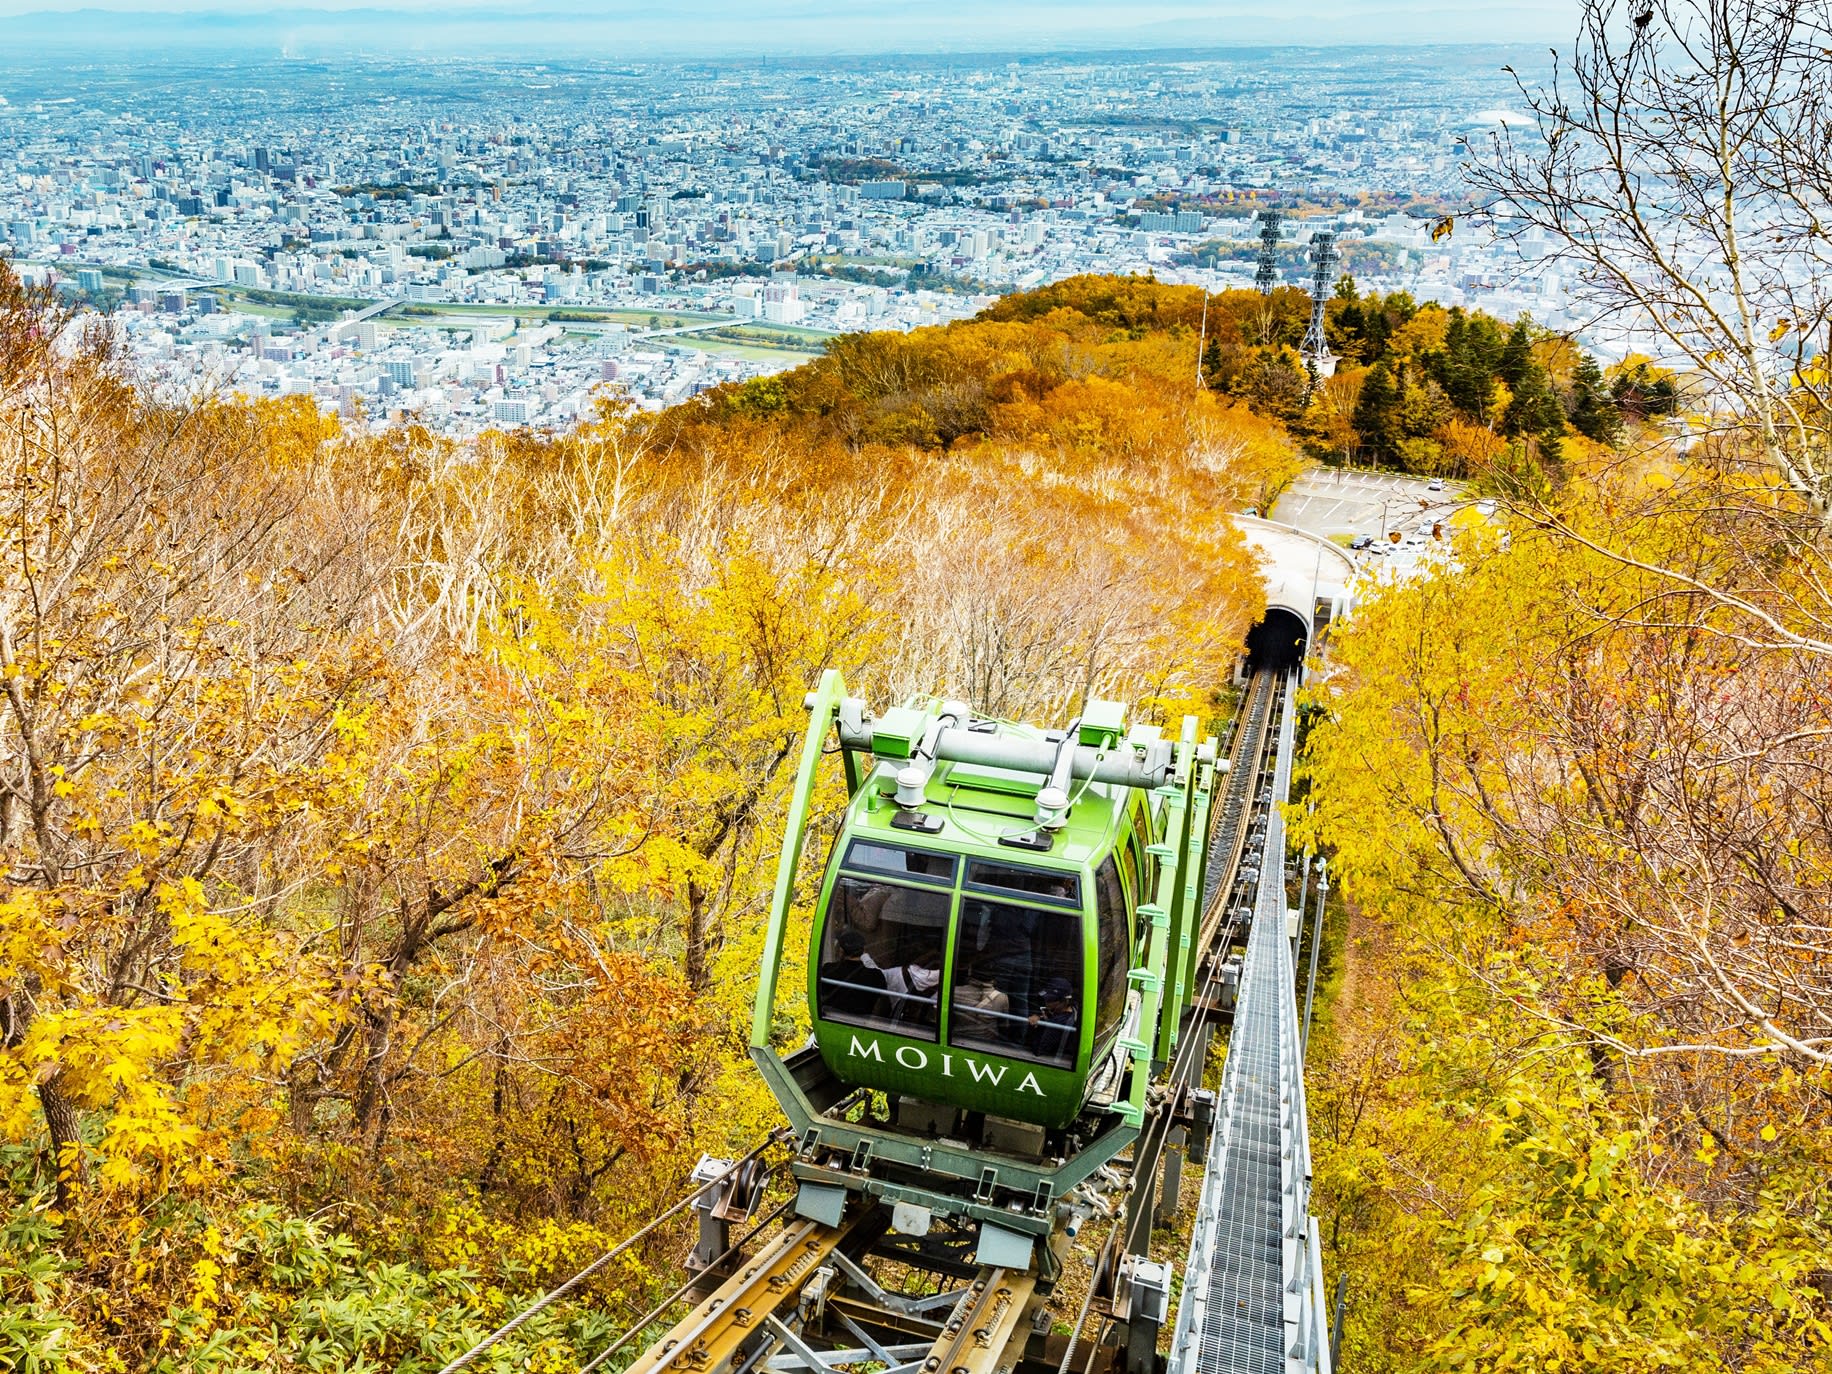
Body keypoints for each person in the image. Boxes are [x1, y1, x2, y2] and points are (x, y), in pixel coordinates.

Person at [820, 929, 886, 1017]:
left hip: (831, 1019)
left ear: (841, 951)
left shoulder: (829, 969)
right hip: (863, 1025)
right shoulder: (876, 976)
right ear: (863, 951)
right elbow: (882, 1004)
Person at [952, 963, 1011, 1046]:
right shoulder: (1002, 998)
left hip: (958, 1040)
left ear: (970, 973)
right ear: (993, 978)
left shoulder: (955, 991)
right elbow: (1004, 1026)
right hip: (987, 1044)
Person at [1027, 976, 1077, 1063]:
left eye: (1050, 1000)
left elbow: (1038, 1050)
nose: (1047, 1003)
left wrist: (1040, 1025)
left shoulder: (1057, 1023)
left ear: (1064, 1001)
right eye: (1046, 999)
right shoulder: (1074, 1011)